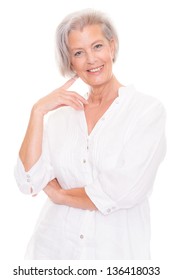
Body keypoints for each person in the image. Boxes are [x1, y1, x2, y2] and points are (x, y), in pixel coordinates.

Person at [14, 8, 166, 260]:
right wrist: (38, 111)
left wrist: (61, 195)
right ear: (70, 61)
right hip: (53, 253)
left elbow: (125, 191)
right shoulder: (60, 118)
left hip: (115, 258)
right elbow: (28, 181)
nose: (91, 60)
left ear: (112, 47)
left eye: (97, 46)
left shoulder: (146, 111)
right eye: (78, 53)